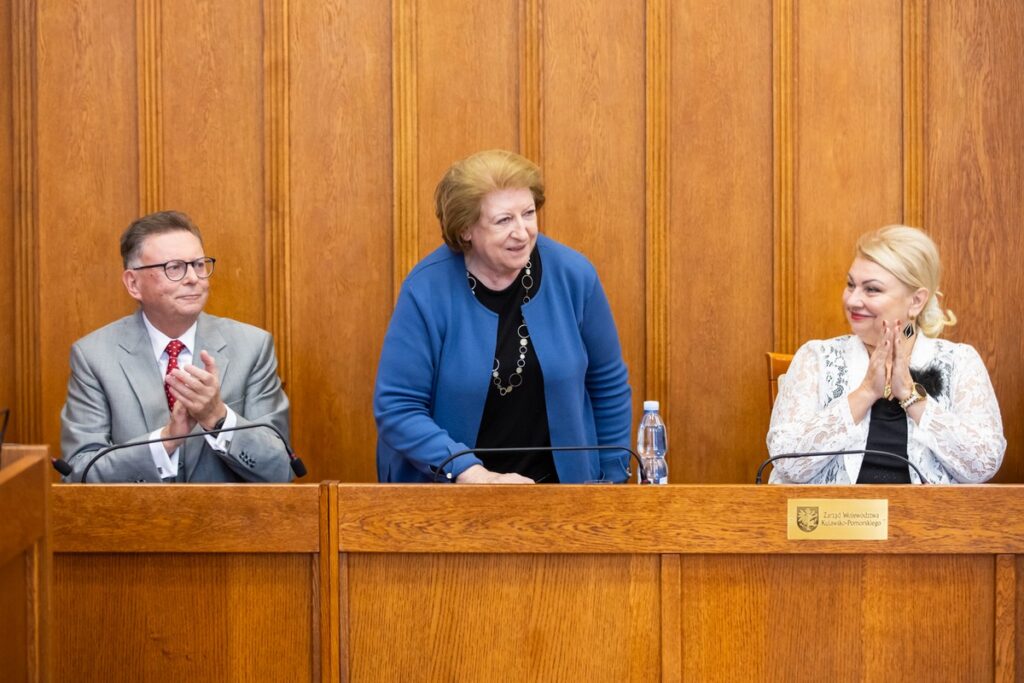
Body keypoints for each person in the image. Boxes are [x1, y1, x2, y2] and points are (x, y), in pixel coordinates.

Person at [374, 149, 632, 483]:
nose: (522, 232)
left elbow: (607, 383)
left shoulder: (574, 275)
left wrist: (612, 480)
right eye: (503, 220)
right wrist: (472, 474)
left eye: (528, 213)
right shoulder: (426, 291)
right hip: (453, 494)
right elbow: (398, 408)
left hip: (562, 494)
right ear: (466, 229)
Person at [60, 211, 292, 482]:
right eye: (174, 267)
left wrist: (218, 417)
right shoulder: (94, 356)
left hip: (228, 521)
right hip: (135, 522)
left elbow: (280, 470)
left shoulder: (252, 347)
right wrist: (166, 440)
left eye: (199, 264)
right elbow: (79, 473)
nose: (193, 277)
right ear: (133, 283)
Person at [767, 225, 1005, 484]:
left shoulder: (959, 362)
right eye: (850, 285)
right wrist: (866, 392)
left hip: (929, 521)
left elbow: (983, 464)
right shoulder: (816, 357)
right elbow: (785, 463)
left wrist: (910, 395)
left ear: (916, 301)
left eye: (872, 289)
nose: (852, 300)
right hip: (837, 520)